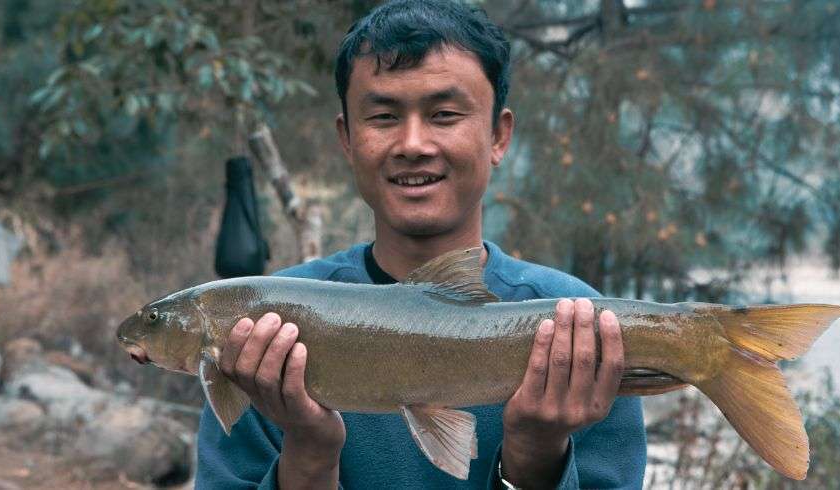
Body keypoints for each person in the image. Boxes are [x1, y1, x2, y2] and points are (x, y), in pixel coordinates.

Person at [195, 1, 646, 488]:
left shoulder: (581, 328)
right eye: (384, 116)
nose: (413, 142)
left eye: (444, 114)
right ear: (347, 139)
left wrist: (535, 457)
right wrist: (308, 452)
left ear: (498, 135)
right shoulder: (260, 335)